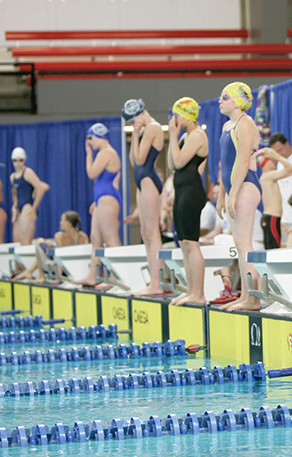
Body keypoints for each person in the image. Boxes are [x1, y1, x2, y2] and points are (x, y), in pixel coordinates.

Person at [216, 81, 263, 311]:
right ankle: (246, 296)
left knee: (244, 243)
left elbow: (243, 160)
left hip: (245, 185)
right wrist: (221, 194)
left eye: (225, 97)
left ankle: (253, 298)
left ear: (238, 100)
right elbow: (224, 164)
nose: (220, 100)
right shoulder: (228, 125)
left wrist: (233, 193)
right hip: (234, 187)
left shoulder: (246, 123)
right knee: (239, 243)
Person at [168, 97, 210, 306]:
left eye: (177, 114)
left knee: (192, 244)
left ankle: (199, 294)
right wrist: (173, 138)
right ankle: (190, 290)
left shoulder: (197, 135)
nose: (174, 118)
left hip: (192, 193)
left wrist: (173, 136)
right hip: (182, 192)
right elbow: (171, 164)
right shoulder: (185, 137)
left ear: (187, 115)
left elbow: (179, 161)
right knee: (184, 244)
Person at [124, 98, 166, 296]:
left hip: (149, 180)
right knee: (144, 233)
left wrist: (138, 132)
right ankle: (152, 281)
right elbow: (133, 160)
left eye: (133, 119)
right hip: (141, 180)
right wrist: (135, 134)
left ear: (140, 113)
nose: (133, 123)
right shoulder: (142, 131)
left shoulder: (153, 127)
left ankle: (156, 283)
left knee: (152, 233)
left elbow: (141, 159)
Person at [77, 123, 123, 287]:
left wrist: (88, 154)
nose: (89, 143)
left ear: (98, 136)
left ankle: (115, 276)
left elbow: (91, 173)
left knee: (111, 239)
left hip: (107, 199)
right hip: (101, 200)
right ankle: (92, 276)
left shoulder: (107, 152)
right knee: (96, 239)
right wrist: (95, 202)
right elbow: (102, 181)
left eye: (90, 139)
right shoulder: (105, 153)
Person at [16, 211, 89, 283]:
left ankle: (40, 276)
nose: (60, 222)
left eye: (62, 220)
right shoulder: (84, 236)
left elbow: (59, 257)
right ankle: (30, 271)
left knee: (39, 241)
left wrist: (58, 277)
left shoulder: (60, 236)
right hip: (79, 268)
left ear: (68, 223)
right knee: (49, 244)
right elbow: (86, 255)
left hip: (64, 269)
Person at [257, 147, 292, 249]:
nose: (275, 161)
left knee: (273, 249)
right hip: (271, 218)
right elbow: (290, 168)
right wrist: (277, 156)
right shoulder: (268, 176)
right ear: (263, 162)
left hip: (272, 218)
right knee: (273, 251)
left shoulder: (269, 176)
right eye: (271, 159)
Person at [10, 147, 49, 246]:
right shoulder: (12, 177)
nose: (18, 163)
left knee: (26, 242)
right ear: (12, 161)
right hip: (19, 208)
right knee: (18, 242)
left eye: (21, 160)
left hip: (27, 206)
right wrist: (14, 206)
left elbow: (41, 188)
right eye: (15, 160)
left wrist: (34, 208)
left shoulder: (28, 172)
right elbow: (16, 194)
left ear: (24, 160)